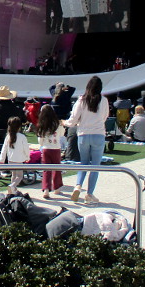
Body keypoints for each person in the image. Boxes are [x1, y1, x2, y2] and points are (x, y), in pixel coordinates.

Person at [65, 76, 109, 205]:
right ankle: (89, 194)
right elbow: (105, 116)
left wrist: (65, 122)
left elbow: (73, 119)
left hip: (83, 135)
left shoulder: (81, 100)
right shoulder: (104, 100)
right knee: (95, 166)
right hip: (98, 134)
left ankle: (78, 185)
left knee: (83, 163)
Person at [36, 104, 64, 199]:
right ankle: (57, 188)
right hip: (56, 148)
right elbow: (62, 134)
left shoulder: (42, 125)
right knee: (57, 168)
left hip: (46, 149)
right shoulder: (58, 124)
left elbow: (40, 141)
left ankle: (46, 190)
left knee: (46, 169)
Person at [0, 116, 30, 195]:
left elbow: (4, 149)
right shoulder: (22, 137)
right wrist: (27, 157)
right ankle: (12, 186)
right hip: (19, 160)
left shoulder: (8, 136)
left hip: (11, 159)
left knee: (14, 175)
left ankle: (13, 190)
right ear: (19, 126)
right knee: (19, 176)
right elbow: (26, 148)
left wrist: (1, 160)